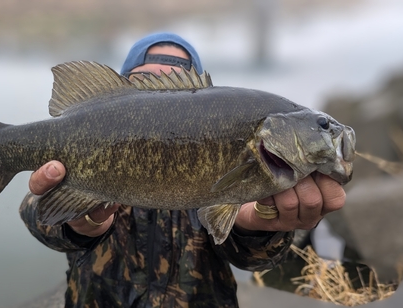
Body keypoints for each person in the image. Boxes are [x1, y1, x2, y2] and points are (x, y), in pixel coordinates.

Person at [20, 32, 346, 307]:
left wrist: (258, 226)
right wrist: (82, 224)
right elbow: (36, 214)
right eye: (145, 83)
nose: (161, 94)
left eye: (173, 83)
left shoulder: (259, 168)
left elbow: (255, 258)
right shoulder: (79, 140)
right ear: (120, 89)